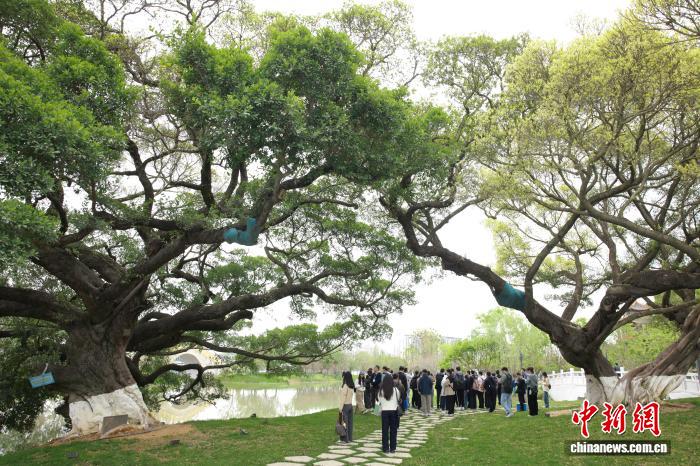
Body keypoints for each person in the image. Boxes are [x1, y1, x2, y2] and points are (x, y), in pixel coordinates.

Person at [378, 374, 401, 453]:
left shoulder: (381, 391)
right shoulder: (395, 390)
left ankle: (385, 448)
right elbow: (398, 398)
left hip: (384, 412)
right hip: (393, 411)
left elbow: (378, 401)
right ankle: (393, 448)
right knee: (393, 430)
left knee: (385, 430)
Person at [339, 371, 355, 442]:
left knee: (344, 423)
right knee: (350, 423)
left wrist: (340, 408)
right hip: (350, 405)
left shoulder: (345, 386)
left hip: (345, 406)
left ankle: (345, 439)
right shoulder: (351, 386)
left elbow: (343, 398)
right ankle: (350, 438)